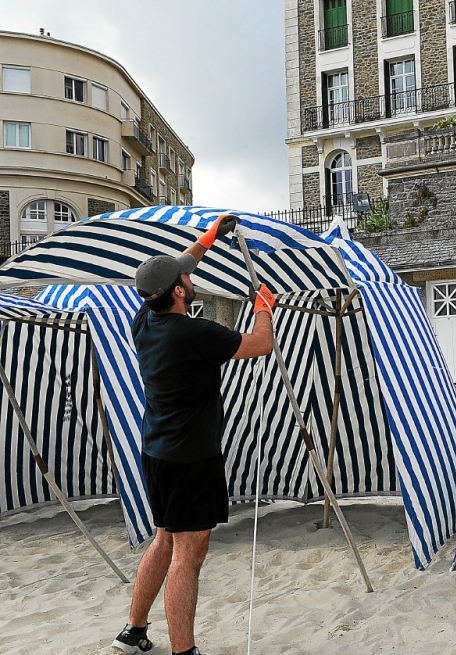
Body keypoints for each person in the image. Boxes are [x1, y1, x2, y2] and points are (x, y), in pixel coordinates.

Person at [111, 214, 275, 655]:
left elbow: (180, 266)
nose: (190, 273)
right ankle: (185, 651)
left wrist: (210, 236)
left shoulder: (144, 320)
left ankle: (133, 631)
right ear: (180, 291)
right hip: (191, 458)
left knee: (164, 538)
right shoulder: (195, 332)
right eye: (186, 276)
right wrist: (263, 308)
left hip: (158, 452)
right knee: (188, 555)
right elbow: (261, 345)